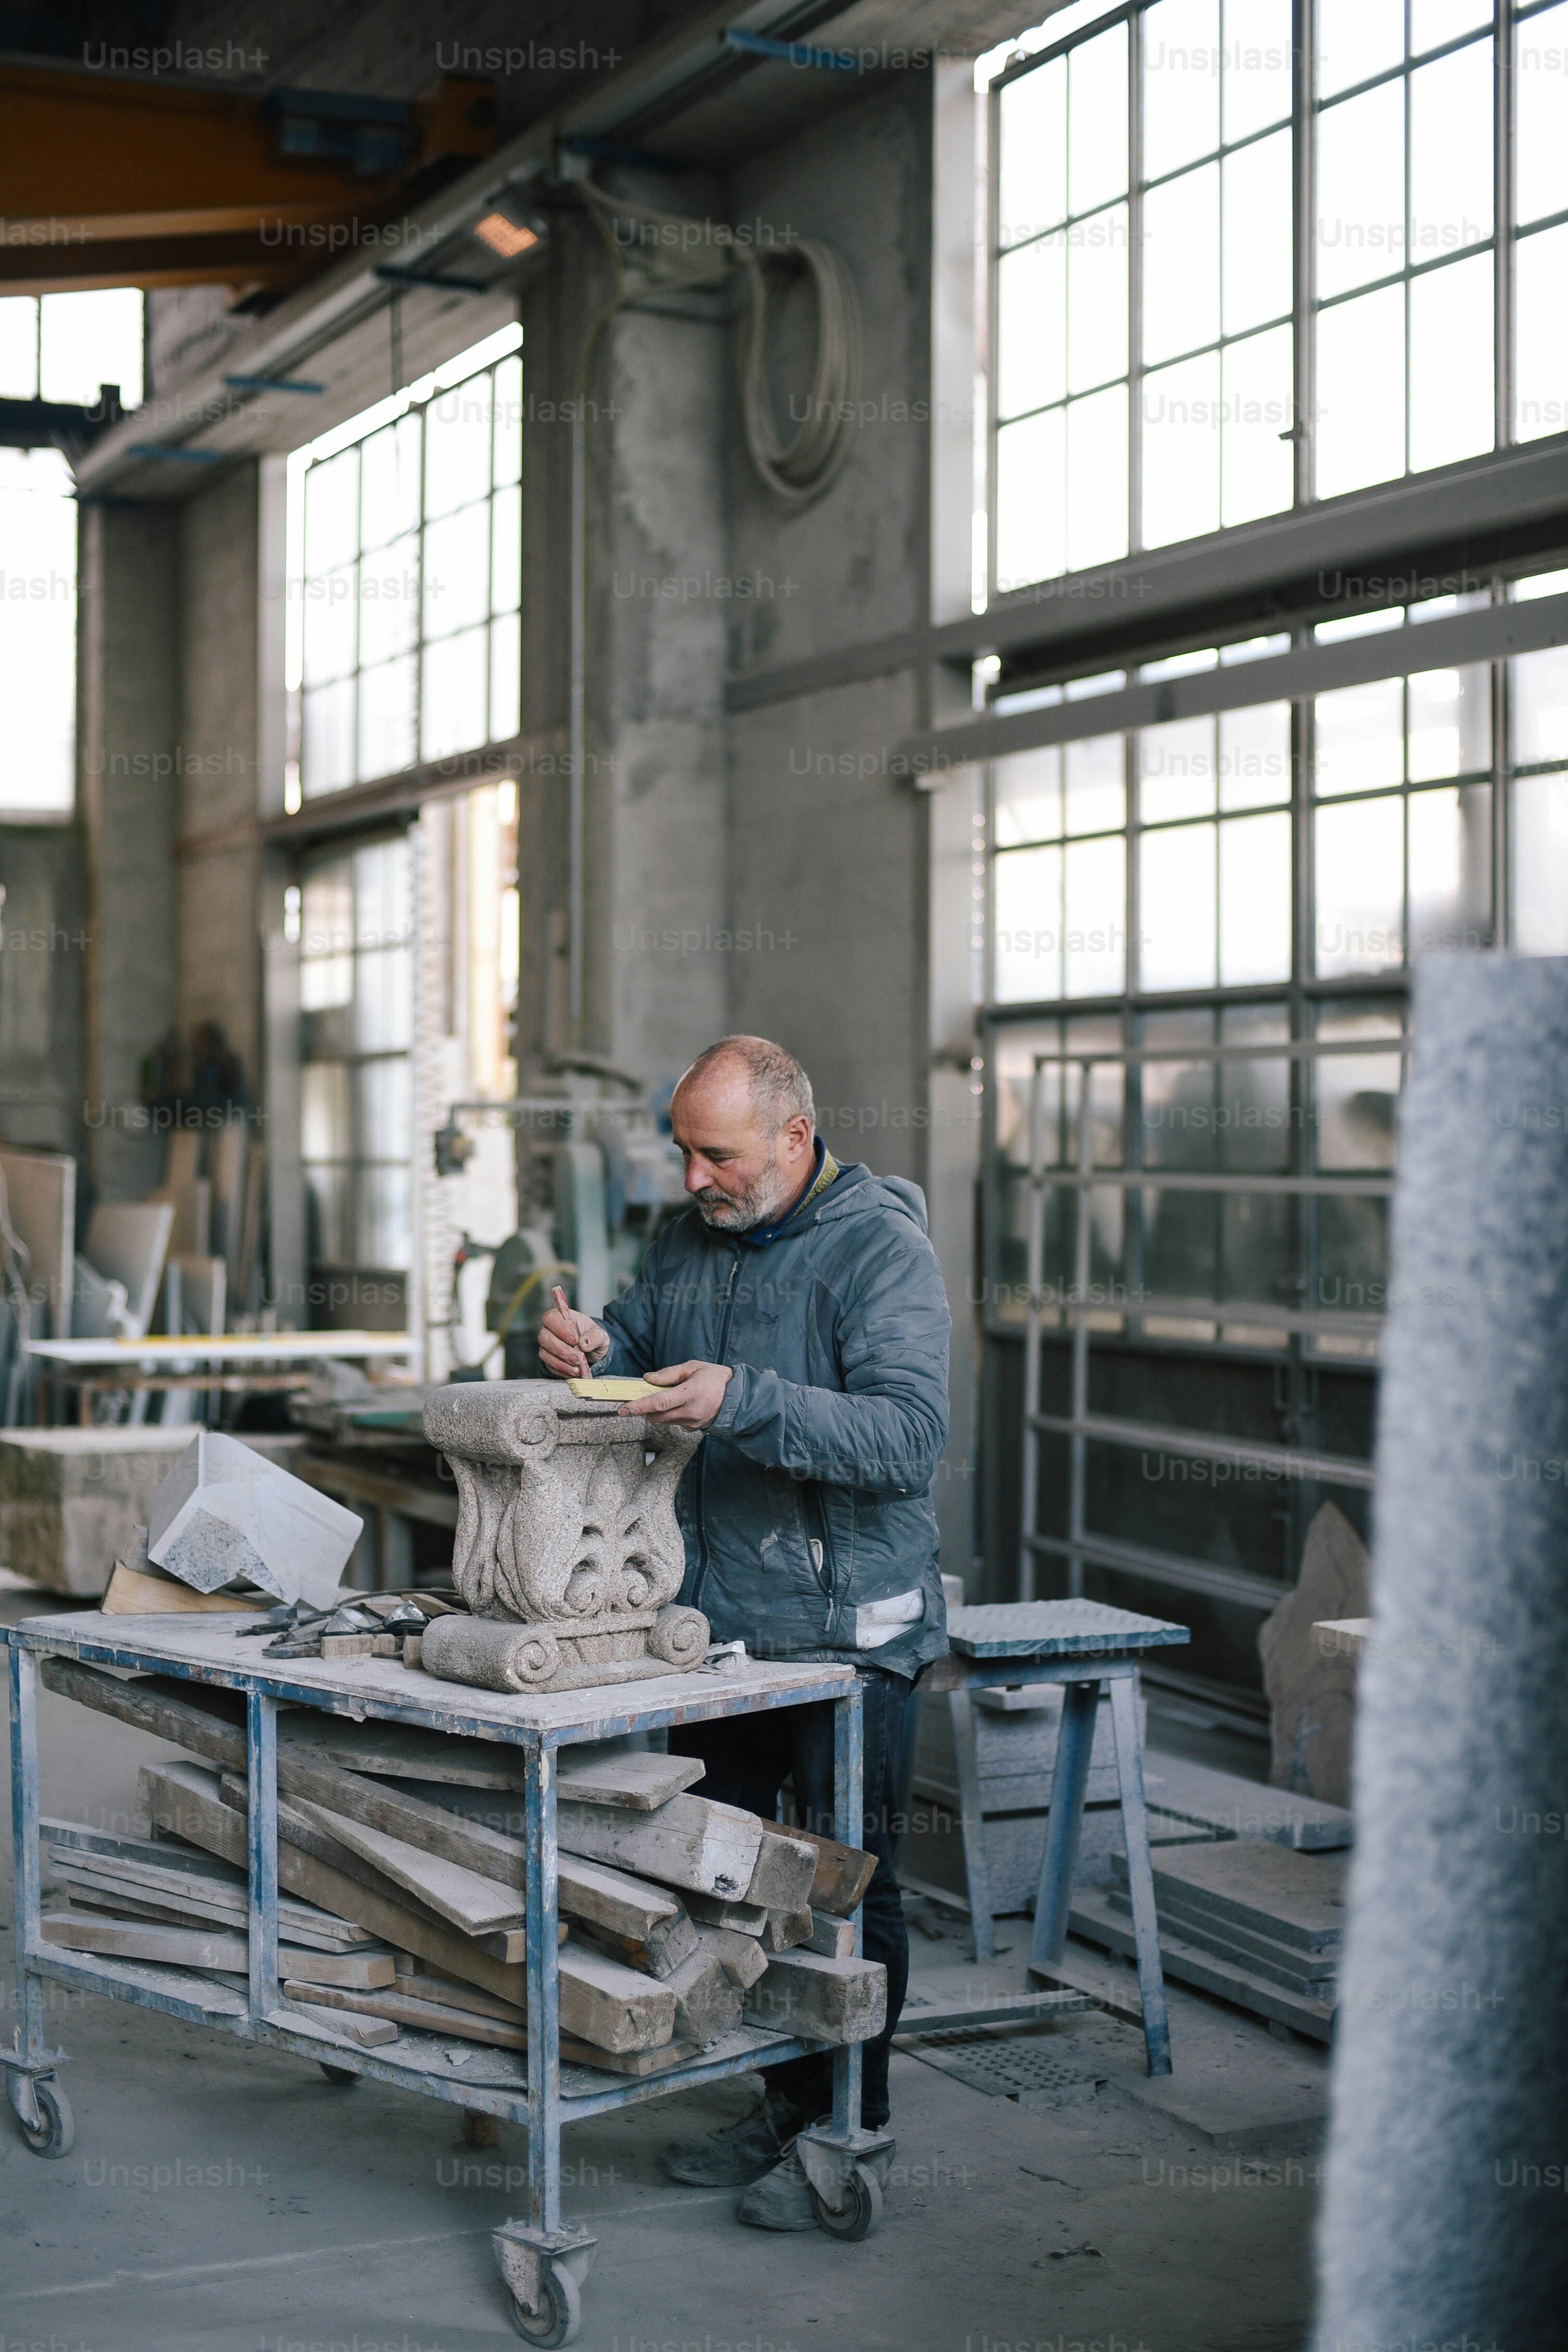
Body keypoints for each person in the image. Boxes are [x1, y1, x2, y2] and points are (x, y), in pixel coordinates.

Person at [538, 1034, 951, 2230]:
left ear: (793, 1139)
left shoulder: (880, 1252)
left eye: (714, 1154)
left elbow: (907, 1438)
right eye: (682, 1153)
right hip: (721, 1636)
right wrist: (592, 1348)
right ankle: (782, 2099)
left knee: (843, 1892)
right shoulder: (691, 1238)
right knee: (732, 1882)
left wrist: (745, 1401)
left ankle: (849, 2134)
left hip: (844, 1636)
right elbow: (636, 1334)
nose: (691, 1179)